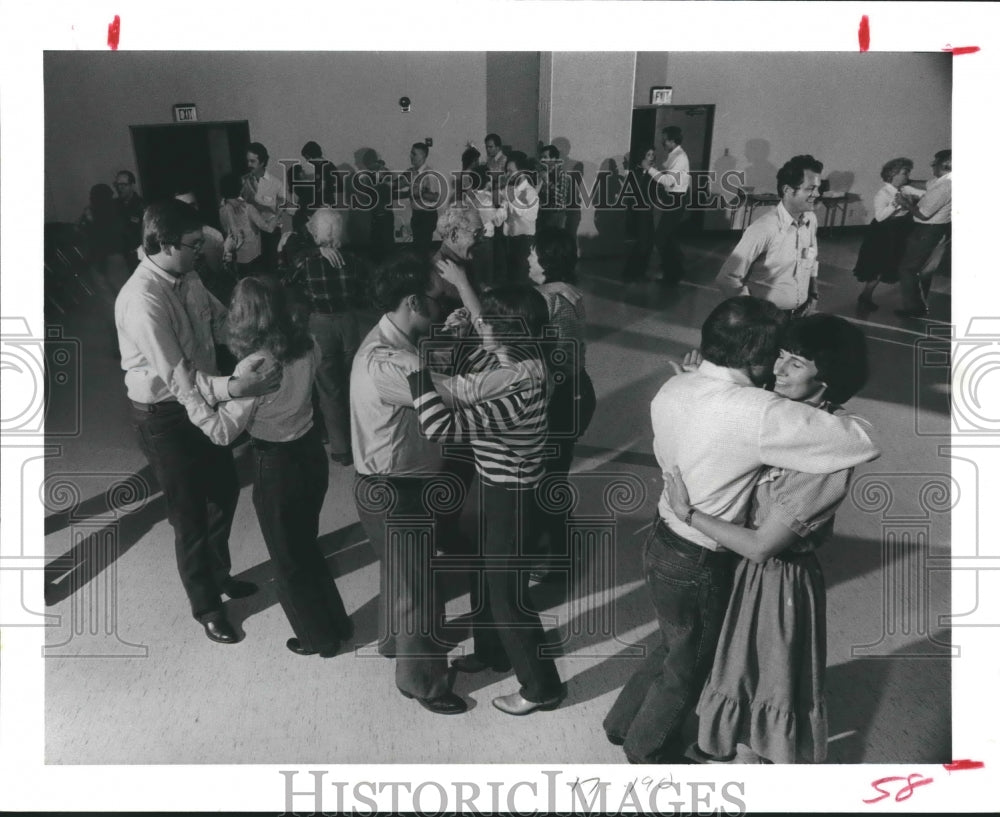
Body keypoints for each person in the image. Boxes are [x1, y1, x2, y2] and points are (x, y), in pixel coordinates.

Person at [602, 296, 880, 764]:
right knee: (689, 659)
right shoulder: (767, 414)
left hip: (704, 554)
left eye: (794, 361)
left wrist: (700, 378)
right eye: (778, 356)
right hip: (707, 556)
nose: (778, 368)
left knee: (690, 649)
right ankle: (647, 749)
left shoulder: (681, 391)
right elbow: (848, 437)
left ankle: (631, 726)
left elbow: (763, 534)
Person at [349, 252, 540, 715]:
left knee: (403, 575)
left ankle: (396, 644)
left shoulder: (390, 339)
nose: (444, 304)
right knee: (420, 591)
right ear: (413, 302)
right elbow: (458, 394)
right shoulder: (392, 363)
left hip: (393, 482)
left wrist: (452, 334)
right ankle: (424, 683)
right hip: (396, 489)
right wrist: (528, 374)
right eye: (438, 299)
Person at [398, 277, 567, 716]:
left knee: (509, 598)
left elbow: (439, 426)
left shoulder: (518, 383)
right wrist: (453, 338)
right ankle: (494, 652)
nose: (480, 323)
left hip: (511, 499)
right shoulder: (519, 359)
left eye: (488, 319)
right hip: (496, 488)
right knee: (489, 583)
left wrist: (417, 370)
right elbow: (471, 377)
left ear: (510, 329)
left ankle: (541, 687)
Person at [114, 199, 281, 643]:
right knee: (187, 514)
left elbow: (221, 320)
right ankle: (206, 606)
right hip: (164, 414)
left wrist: (255, 343)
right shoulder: (142, 299)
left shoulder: (186, 275)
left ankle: (219, 573)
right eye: (193, 246)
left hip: (199, 393)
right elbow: (180, 380)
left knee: (223, 492)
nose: (200, 254)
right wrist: (236, 389)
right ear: (164, 245)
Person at [170, 277, 353, 658]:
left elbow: (222, 432)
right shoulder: (307, 344)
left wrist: (189, 394)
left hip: (278, 466)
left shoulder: (256, 365)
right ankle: (338, 623)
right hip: (311, 457)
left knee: (287, 562)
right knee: (307, 547)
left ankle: (317, 639)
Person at [526, 227, 596, 581]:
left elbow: (559, 361)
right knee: (551, 476)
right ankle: (554, 546)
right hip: (571, 393)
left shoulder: (553, 300)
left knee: (547, 479)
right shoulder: (560, 293)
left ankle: (550, 556)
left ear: (547, 262)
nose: (527, 259)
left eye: (533, 254)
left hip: (562, 398)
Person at [288, 208, 364, 466]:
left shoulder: (305, 262)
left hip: (320, 324)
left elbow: (286, 278)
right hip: (349, 322)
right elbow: (366, 290)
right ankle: (361, 441)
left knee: (329, 389)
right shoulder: (352, 259)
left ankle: (341, 449)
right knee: (354, 384)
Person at [716, 155, 824, 315]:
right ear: (787, 190)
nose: (817, 194)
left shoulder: (810, 219)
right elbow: (726, 278)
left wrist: (813, 296)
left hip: (799, 315)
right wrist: (751, 313)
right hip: (767, 319)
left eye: (818, 188)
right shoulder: (764, 229)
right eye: (810, 189)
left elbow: (811, 259)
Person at [854, 158, 921, 312]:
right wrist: (896, 204)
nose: (907, 176)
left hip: (898, 231)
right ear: (893, 174)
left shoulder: (904, 190)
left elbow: (924, 194)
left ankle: (865, 296)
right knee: (878, 267)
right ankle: (865, 296)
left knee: (886, 266)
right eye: (905, 173)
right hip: (884, 233)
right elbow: (880, 217)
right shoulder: (883, 193)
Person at [894, 149, 952, 319]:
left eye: (934, 164)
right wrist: (906, 181)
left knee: (907, 269)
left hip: (929, 230)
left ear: (945, 165)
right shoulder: (943, 181)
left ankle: (914, 308)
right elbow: (927, 184)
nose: (932, 166)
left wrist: (905, 202)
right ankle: (919, 304)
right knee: (923, 270)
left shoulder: (946, 186)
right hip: (935, 230)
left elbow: (923, 214)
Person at [644, 126, 690, 286]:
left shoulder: (679, 157)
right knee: (667, 236)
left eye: (664, 139)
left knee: (662, 237)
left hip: (676, 199)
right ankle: (674, 270)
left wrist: (649, 169)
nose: (662, 142)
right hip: (673, 198)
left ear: (672, 140)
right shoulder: (674, 155)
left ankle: (673, 273)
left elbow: (669, 181)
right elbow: (667, 174)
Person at [242, 141, 285, 272]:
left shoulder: (276, 183)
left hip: (270, 236)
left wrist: (275, 218)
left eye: (252, 161)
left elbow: (283, 206)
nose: (249, 165)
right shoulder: (243, 181)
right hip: (251, 235)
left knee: (271, 270)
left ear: (262, 162)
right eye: (248, 161)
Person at [219, 171, 267, 280]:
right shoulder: (247, 207)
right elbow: (263, 225)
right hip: (252, 252)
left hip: (237, 253)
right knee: (255, 278)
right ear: (239, 189)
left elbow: (225, 228)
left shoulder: (222, 209)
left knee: (243, 278)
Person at [620, 147, 659, 283]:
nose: (651, 157)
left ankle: (638, 271)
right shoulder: (636, 172)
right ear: (642, 157)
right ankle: (632, 272)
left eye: (653, 155)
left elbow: (657, 190)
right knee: (643, 242)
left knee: (648, 242)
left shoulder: (654, 172)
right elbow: (636, 191)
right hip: (639, 211)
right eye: (648, 155)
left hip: (648, 210)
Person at [398, 142, 442, 254]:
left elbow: (435, 197)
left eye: (414, 154)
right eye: (411, 153)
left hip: (426, 216)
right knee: (417, 248)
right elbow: (403, 188)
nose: (411, 156)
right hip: (417, 215)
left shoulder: (429, 173)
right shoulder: (411, 172)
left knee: (422, 250)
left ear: (423, 156)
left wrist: (420, 193)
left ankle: (424, 270)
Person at [503, 151, 539, 282]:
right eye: (506, 171)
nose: (507, 174)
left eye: (510, 171)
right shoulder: (512, 190)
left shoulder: (530, 192)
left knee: (522, 277)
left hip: (524, 240)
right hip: (511, 238)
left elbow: (530, 216)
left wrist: (512, 200)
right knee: (512, 277)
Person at [536, 144, 573, 232]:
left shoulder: (561, 174)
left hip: (555, 215)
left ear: (554, 159)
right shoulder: (542, 173)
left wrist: (548, 182)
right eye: (541, 157)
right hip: (542, 214)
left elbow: (561, 198)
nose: (542, 160)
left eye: (545, 157)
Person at [114, 170, 145, 268]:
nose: (120, 188)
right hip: (120, 258)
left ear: (132, 185)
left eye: (124, 184)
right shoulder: (114, 205)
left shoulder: (142, 206)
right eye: (117, 185)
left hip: (137, 258)